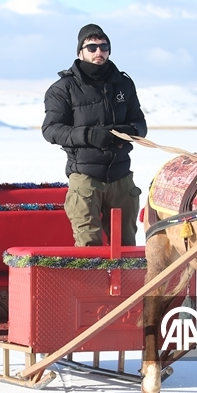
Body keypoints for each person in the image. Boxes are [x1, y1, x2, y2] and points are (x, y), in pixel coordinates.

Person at [43, 24, 148, 246]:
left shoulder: (124, 84)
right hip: (85, 178)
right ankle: (94, 283)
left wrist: (130, 131)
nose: (98, 52)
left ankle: (127, 283)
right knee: (89, 247)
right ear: (80, 51)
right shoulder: (63, 88)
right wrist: (90, 135)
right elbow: (51, 129)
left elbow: (139, 123)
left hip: (121, 177)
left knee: (126, 246)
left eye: (104, 47)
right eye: (92, 47)